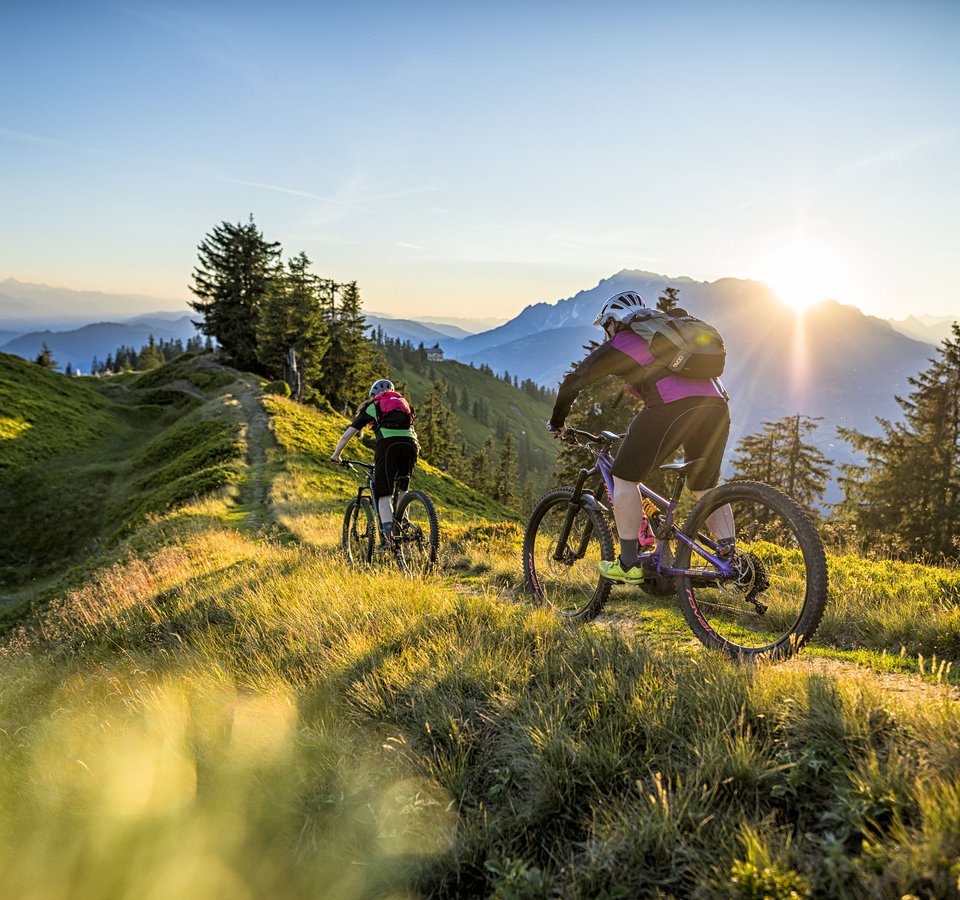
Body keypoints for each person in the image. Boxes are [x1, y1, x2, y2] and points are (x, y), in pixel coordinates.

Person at [547, 290, 735, 583]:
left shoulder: (627, 340)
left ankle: (629, 564)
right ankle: (731, 561)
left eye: (606, 327)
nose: (607, 334)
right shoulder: (669, 330)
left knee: (624, 478)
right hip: (716, 406)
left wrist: (557, 420)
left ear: (614, 322)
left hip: (672, 407)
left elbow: (577, 379)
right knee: (704, 486)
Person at [331, 379, 419, 548]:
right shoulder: (404, 404)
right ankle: (404, 528)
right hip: (411, 445)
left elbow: (347, 435)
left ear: (373, 396)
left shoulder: (374, 406)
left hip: (388, 445)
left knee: (383, 493)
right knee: (402, 489)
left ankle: (388, 539)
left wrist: (336, 455)